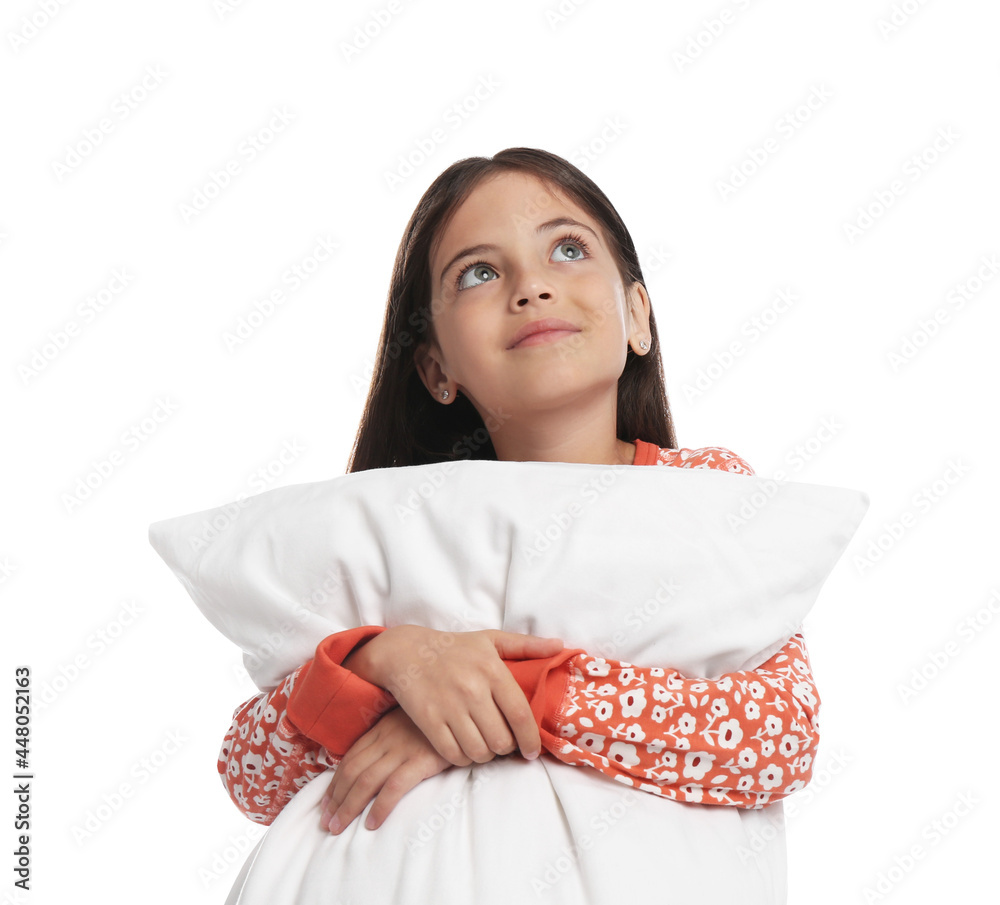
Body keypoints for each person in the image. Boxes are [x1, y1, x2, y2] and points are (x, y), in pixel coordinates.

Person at [217, 148, 820, 850]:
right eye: (479, 272)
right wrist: (385, 664)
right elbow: (250, 775)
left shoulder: (707, 492)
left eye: (567, 248)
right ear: (435, 366)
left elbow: (778, 736)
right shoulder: (397, 524)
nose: (531, 286)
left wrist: (506, 696)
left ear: (637, 315)